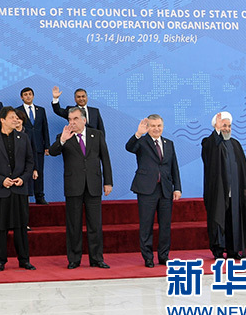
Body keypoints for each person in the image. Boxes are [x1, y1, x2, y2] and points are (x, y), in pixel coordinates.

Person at [48, 107, 112, 269]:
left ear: (84, 120)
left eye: (75, 119)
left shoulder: (97, 135)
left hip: (93, 185)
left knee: (95, 224)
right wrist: (62, 140)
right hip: (73, 186)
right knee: (74, 225)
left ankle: (97, 259)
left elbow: (105, 158)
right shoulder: (64, 136)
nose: (72, 122)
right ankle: (74, 259)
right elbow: (53, 152)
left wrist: (108, 182)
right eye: (70, 119)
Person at [125, 115, 182, 268]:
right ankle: (148, 257)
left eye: (159, 126)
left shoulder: (169, 143)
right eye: (153, 126)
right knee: (146, 225)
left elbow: (174, 167)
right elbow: (129, 147)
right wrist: (138, 133)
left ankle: (163, 256)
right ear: (148, 127)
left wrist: (177, 187)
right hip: (146, 189)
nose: (156, 129)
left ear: (163, 126)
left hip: (165, 190)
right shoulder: (141, 142)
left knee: (165, 225)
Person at [0, 107, 36, 271]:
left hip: (20, 189)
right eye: (12, 117)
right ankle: (1, 261)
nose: (16, 120)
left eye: (16, 117)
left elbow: (30, 162)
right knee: (0, 227)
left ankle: (24, 260)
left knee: (21, 226)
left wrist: (23, 178)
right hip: (0, 190)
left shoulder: (24, 138)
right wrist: (1, 180)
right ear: (2, 120)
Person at [202, 112, 246, 259]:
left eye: (228, 126)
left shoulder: (235, 144)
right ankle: (218, 251)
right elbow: (210, 149)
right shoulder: (209, 142)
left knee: (234, 221)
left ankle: (233, 250)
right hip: (218, 192)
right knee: (218, 220)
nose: (226, 129)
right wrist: (217, 131)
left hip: (235, 191)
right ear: (216, 126)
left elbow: (243, 168)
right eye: (223, 126)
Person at [17, 87, 50, 205]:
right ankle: (25, 196)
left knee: (39, 172)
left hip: (39, 146)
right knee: (24, 171)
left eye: (30, 94)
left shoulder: (41, 110)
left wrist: (47, 145)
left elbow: (45, 128)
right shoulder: (17, 111)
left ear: (33, 96)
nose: (28, 96)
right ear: (21, 97)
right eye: (25, 94)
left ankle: (39, 196)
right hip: (23, 146)